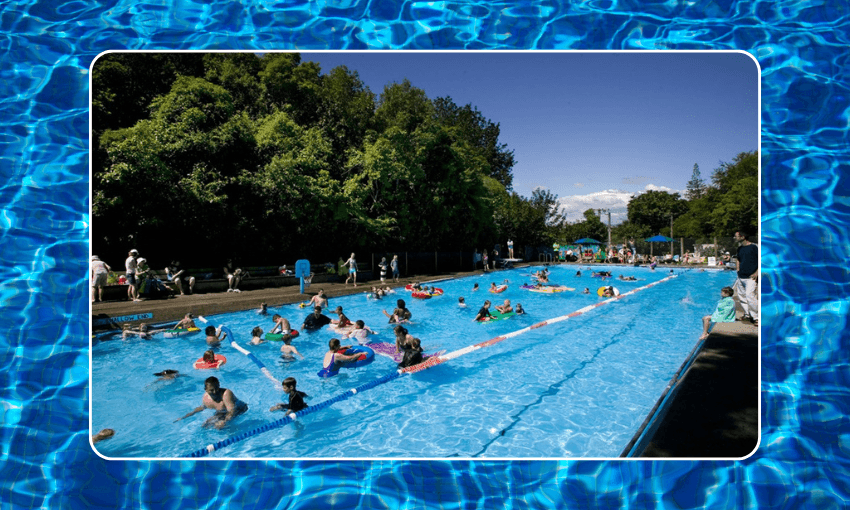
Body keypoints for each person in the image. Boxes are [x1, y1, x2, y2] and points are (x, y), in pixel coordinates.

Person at [175, 376, 248, 429]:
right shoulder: (206, 398)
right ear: (205, 389)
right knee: (205, 426)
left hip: (239, 409)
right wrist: (185, 416)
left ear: (219, 386)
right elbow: (201, 407)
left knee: (220, 427)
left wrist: (224, 421)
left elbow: (232, 410)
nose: (215, 391)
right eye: (211, 390)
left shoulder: (226, 394)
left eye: (217, 388)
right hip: (223, 411)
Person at [733, 231, 759, 326]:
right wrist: (738, 269)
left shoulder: (754, 247)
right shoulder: (740, 248)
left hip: (751, 277)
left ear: (743, 236)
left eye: (736, 236)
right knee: (742, 297)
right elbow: (738, 259)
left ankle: (757, 317)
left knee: (750, 296)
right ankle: (748, 314)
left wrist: (757, 272)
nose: (735, 238)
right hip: (741, 276)